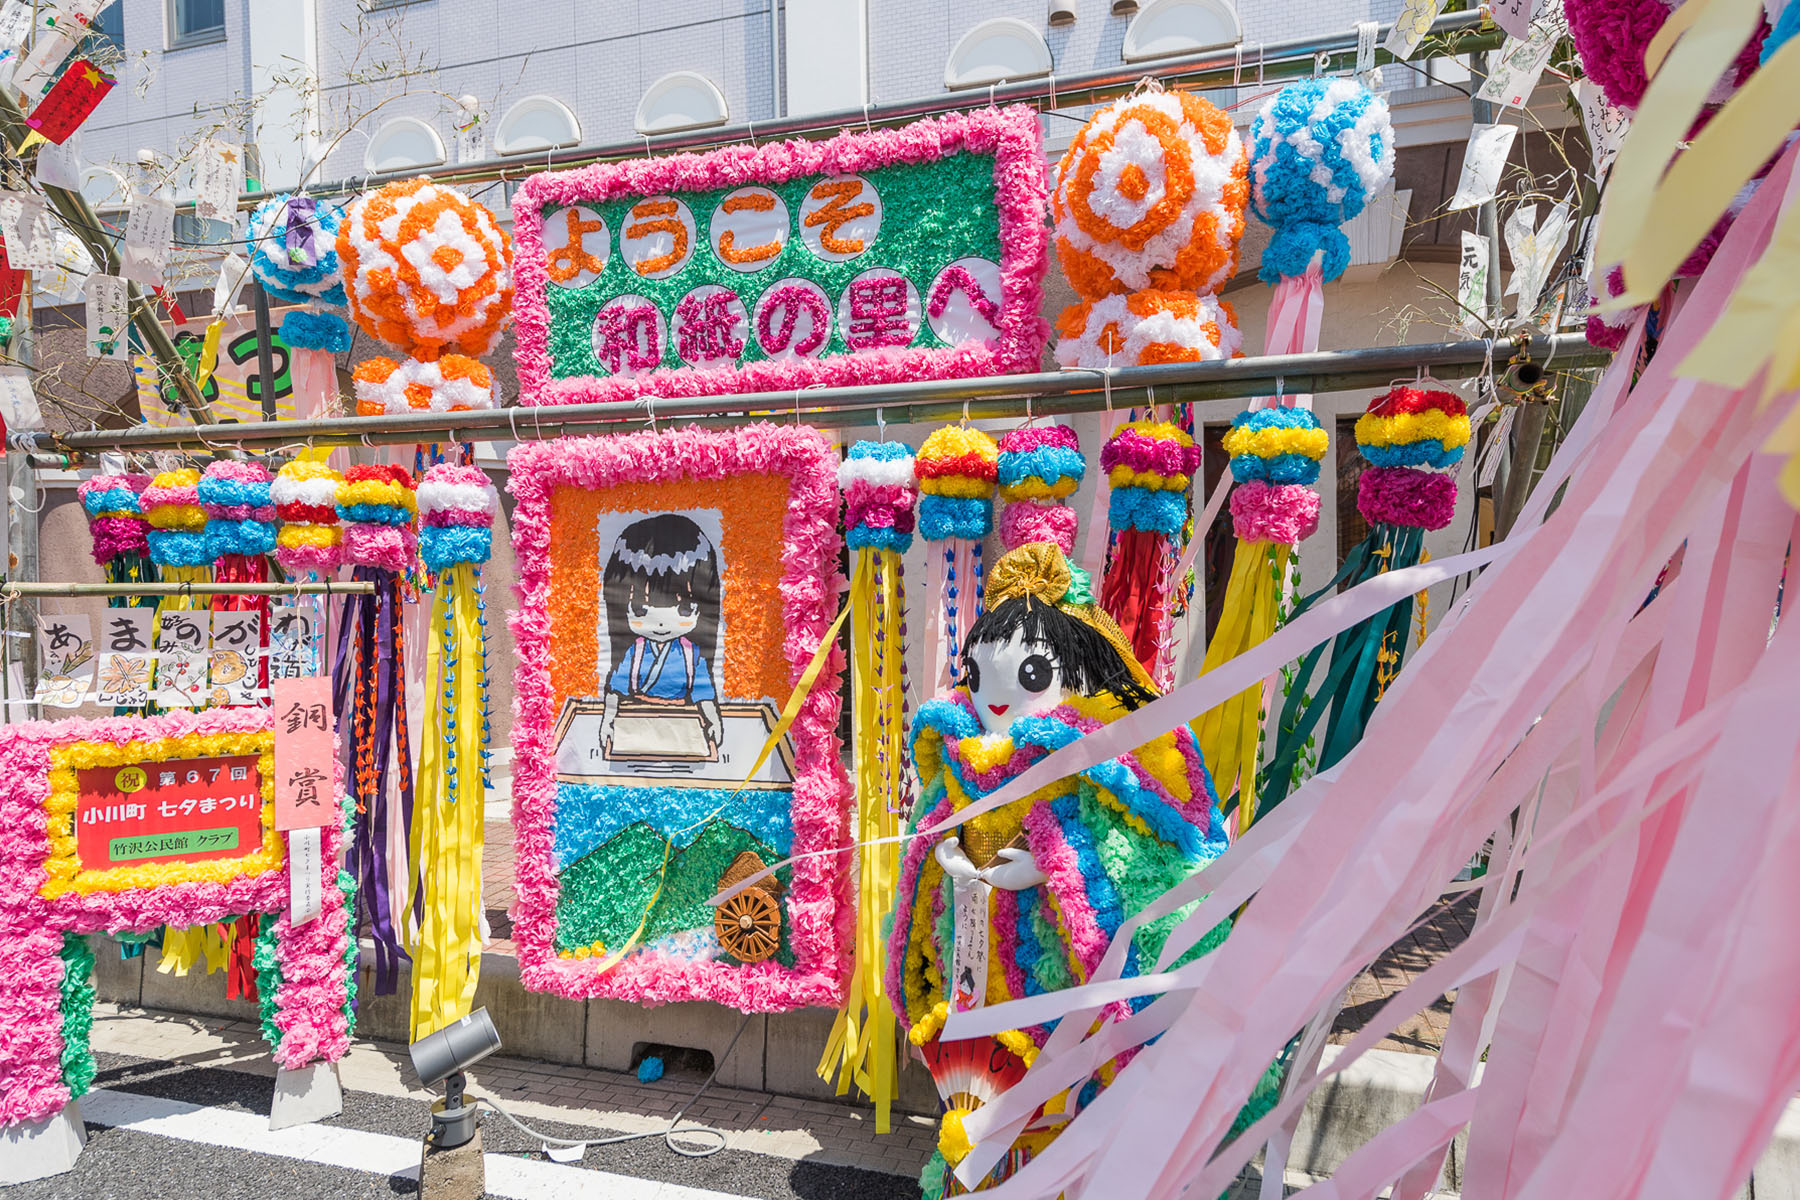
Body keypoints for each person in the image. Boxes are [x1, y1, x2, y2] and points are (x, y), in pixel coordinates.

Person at [887, 542, 1239, 1196]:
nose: (996, 700)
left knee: (1063, 1112)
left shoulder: (1106, 753)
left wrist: (1051, 867)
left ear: (1078, 671)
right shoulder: (958, 754)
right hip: (975, 978)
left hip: (1060, 993)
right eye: (984, 677)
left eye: (1023, 677)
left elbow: (1143, 860)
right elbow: (924, 849)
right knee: (978, 1108)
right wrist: (944, 854)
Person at [598, 514, 724, 752]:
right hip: (637, 721)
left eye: (684, 608)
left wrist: (713, 718)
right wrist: (608, 717)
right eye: (640, 609)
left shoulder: (691, 654)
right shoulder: (634, 652)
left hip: (684, 722)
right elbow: (616, 687)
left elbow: (703, 692)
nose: (662, 622)